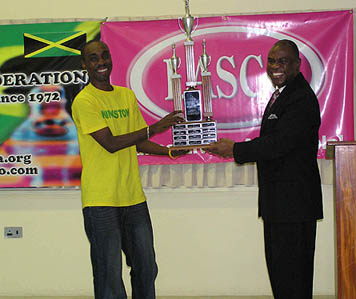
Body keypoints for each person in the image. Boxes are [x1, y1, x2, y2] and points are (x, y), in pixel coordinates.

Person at [207, 39, 323, 299]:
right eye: (271, 60)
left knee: (293, 279)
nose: (275, 66)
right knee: (282, 278)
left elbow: (278, 144)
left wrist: (235, 150)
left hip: (293, 206)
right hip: (280, 205)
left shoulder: (301, 98)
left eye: (282, 61)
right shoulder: (282, 94)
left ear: (297, 64)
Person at [71, 40, 186, 299]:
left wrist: (167, 151)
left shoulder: (126, 95)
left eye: (104, 55)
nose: (101, 62)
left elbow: (138, 141)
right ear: (84, 64)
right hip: (100, 199)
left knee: (146, 266)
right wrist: (154, 127)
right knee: (109, 272)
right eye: (93, 58)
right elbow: (110, 143)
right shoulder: (84, 100)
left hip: (132, 196)